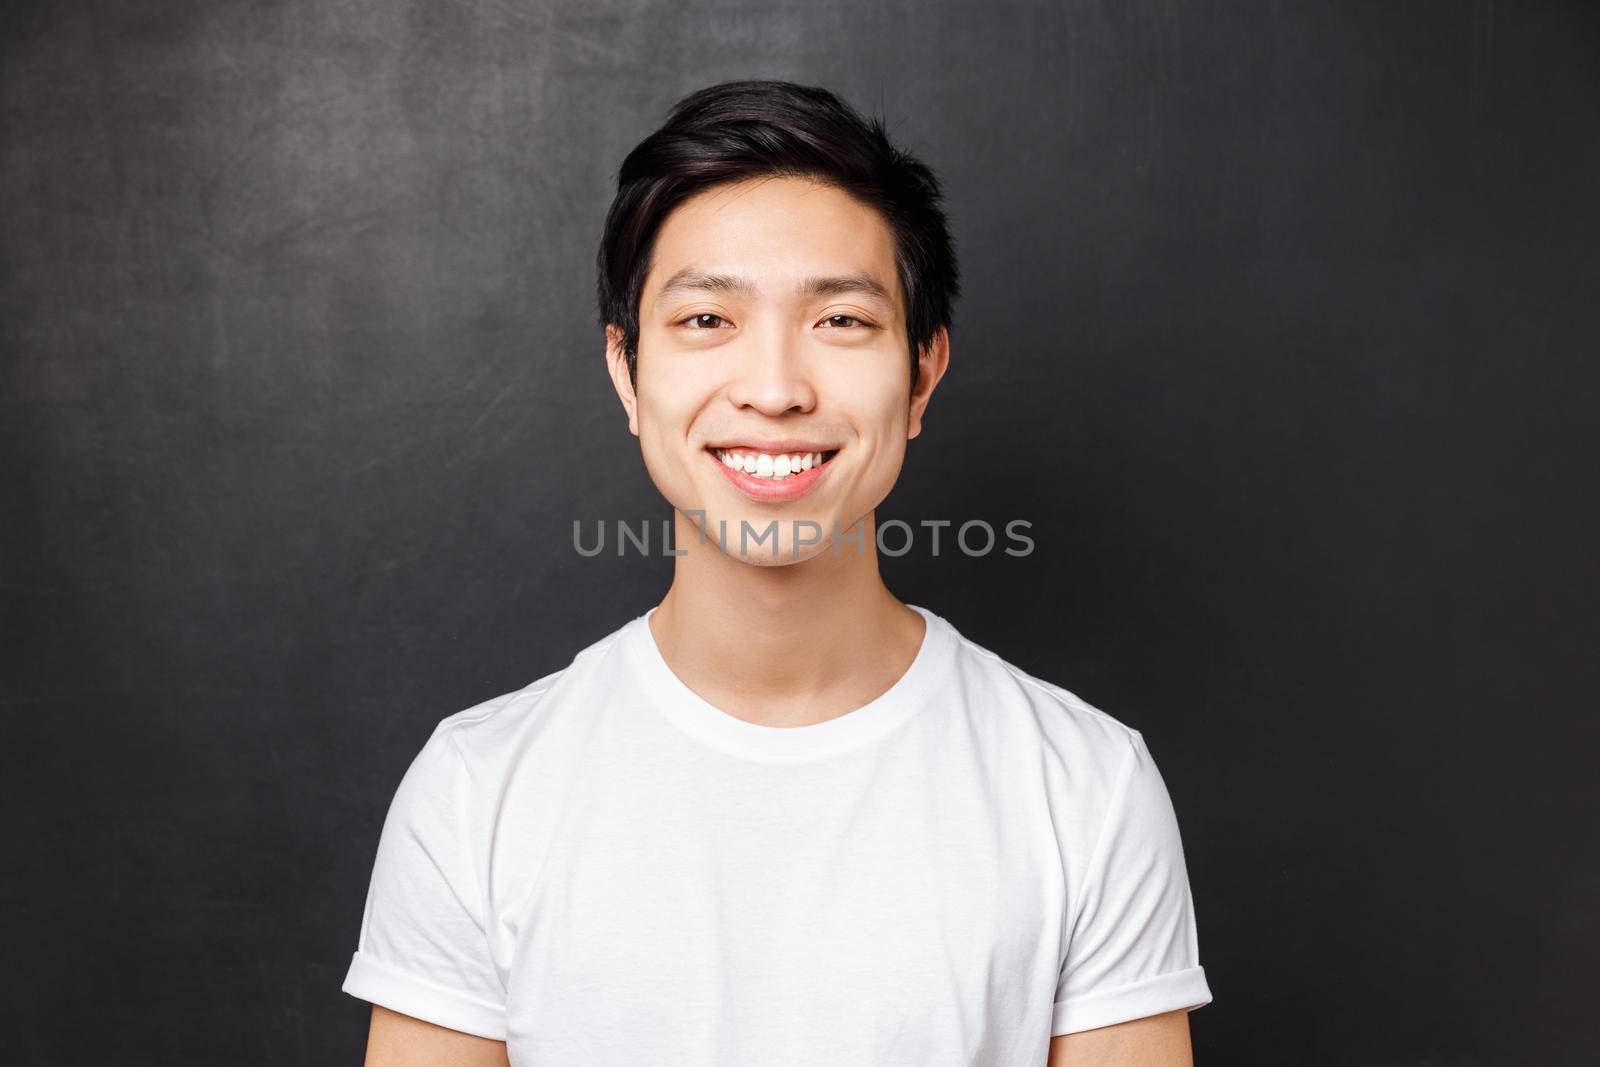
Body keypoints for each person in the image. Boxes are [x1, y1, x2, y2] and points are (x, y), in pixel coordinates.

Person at [341, 80, 1212, 1066]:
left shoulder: (1084, 786)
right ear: (627, 372)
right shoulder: (476, 790)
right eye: (707, 319)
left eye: (840, 321)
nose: (774, 390)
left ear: (922, 373)